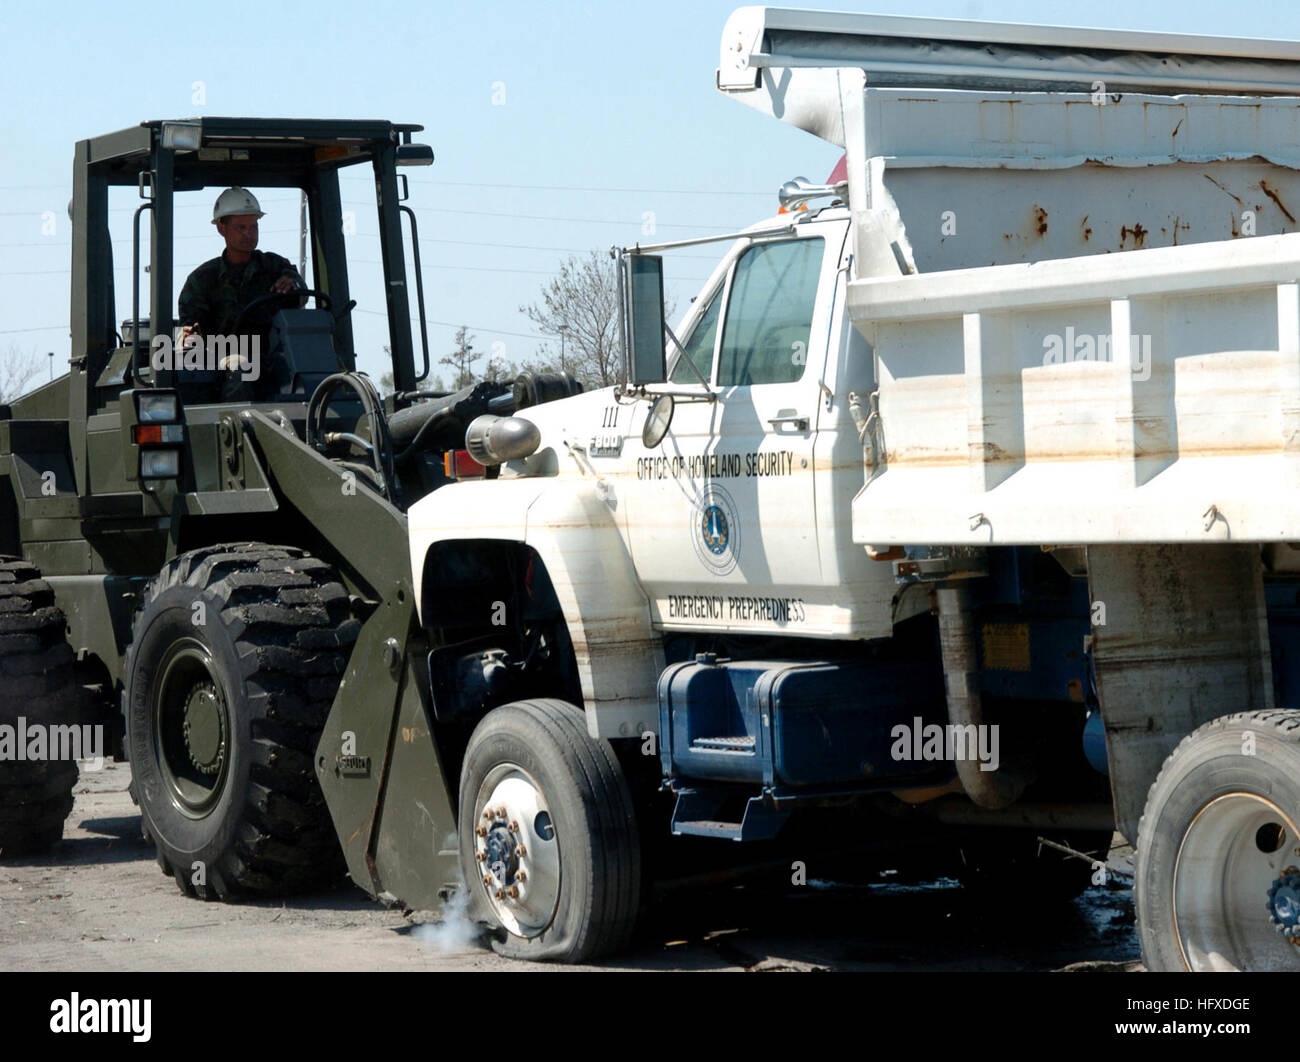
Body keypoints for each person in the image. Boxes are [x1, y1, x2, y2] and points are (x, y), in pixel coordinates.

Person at [177, 187, 304, 400]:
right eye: (241, 227)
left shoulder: (274, 266)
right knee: (240, 367)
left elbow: (301, 292)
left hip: (276, 357)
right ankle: (241, 429)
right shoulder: (202, 280)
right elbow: (192, 335)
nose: (249, 234)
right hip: (223, 360)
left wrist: (293, 285)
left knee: (324, 364)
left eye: (253, 226)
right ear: (221, 228)